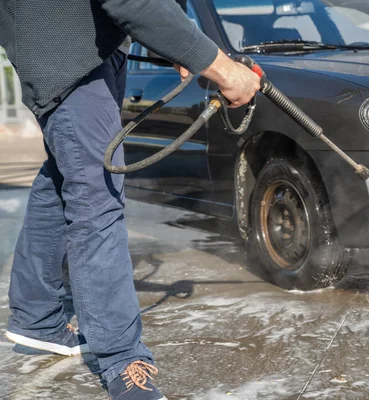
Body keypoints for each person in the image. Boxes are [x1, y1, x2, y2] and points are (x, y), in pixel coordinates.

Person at [0, 0, 260, 399]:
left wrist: (178, 42)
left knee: (62, 178)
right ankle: (122, 361)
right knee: (97, 198)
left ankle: (36, 316)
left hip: (86, 50)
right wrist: (221, 66)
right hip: (71, 58)